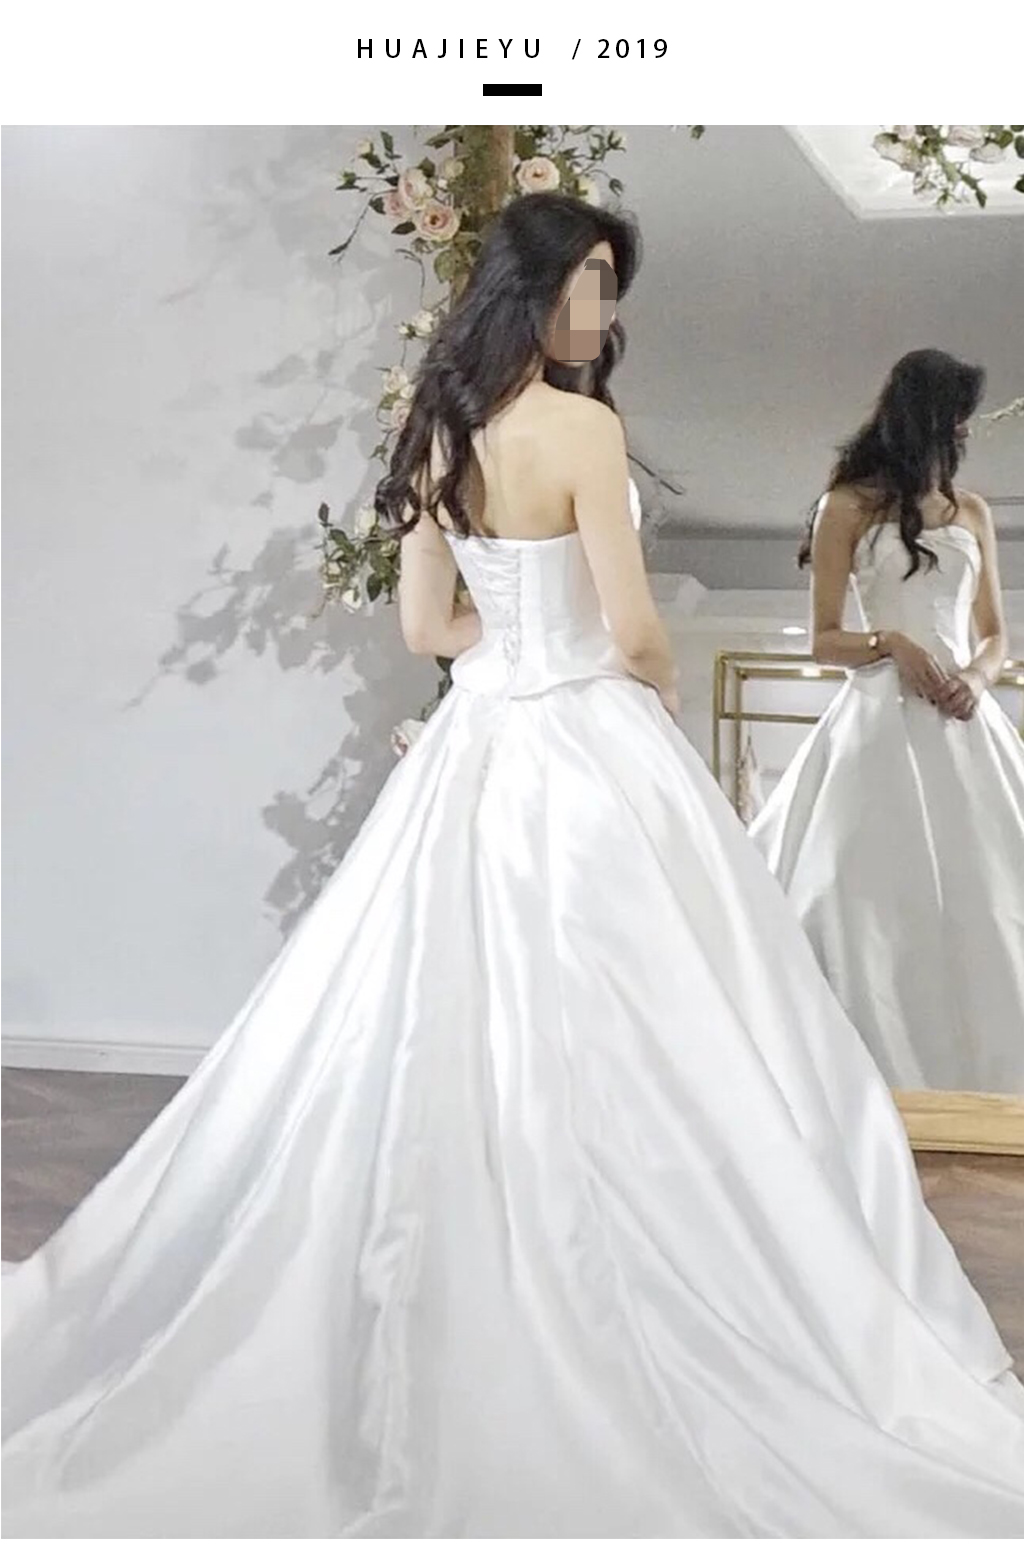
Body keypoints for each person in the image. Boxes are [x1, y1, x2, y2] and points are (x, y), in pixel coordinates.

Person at [3, 201, 1023, 1538]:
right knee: (667, 1030)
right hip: (586, 746)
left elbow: (427, 623)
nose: (608, 311)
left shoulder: (439, 424)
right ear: (536, 291)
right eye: (594, 283)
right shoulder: (582, 428)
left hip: (478, 746)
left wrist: (515, 651)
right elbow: (641, 636)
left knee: (434, 1023)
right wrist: (602, 675)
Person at [750, 350, 1024, 1093]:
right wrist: (890, 644)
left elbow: (996, 634)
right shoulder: (844, 507)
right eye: (956, 415)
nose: (964, 430)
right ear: (925, 417)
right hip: (878, 718)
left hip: (964, 719)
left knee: (990, 894)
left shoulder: (971, 511)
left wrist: (976, 677)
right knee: (865, 894)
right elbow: (823, 639)